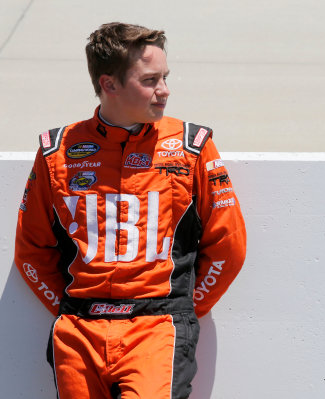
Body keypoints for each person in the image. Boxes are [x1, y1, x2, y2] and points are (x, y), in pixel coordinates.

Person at [14, 22, 246, 399]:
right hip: (79, 330)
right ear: (109, 84)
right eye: (151, 80)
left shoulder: (192, 146)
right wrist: (70, 307)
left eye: (165, 77)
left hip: (157, 327)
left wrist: (182, 309)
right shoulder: (56, 151)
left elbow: (228, 247)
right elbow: (31, 251)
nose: (164, 91)